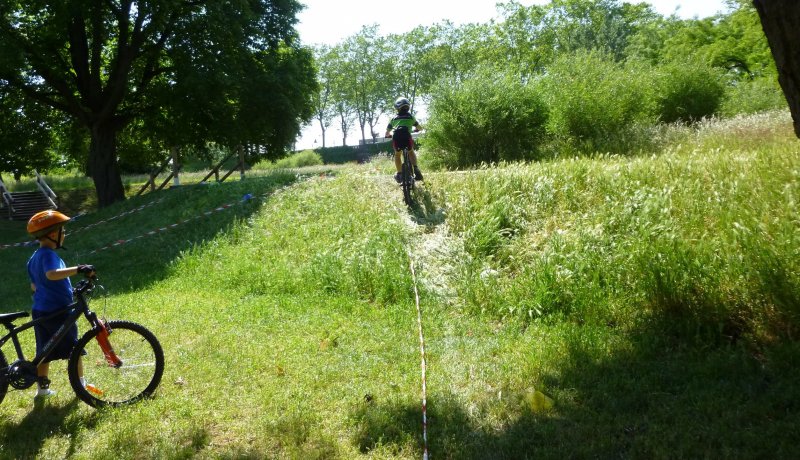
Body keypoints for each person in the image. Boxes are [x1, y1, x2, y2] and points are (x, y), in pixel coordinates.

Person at [26, 210, 94, 400]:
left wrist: (64, 290)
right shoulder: (48, 255)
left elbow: (35, 284)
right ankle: (81, 384)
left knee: (43, 352)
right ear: (53, 234)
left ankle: (42, 389)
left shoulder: (34, 257)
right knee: (75, 348)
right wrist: (79, 268)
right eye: (62, 232)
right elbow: (51, 274)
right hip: (58, 312)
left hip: (40, 311)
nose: (64, 235)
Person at [385, 97, 424, 183]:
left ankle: (399, 173)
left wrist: (388, 135)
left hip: (397, 137)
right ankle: (416, 168)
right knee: (410, 151)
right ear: (408, 107)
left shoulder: (393, 118)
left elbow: (387, 132)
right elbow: (419, 128)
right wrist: (418, 129)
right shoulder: (410, 117)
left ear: (397, 108)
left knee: (397, 155)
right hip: (407, 137)